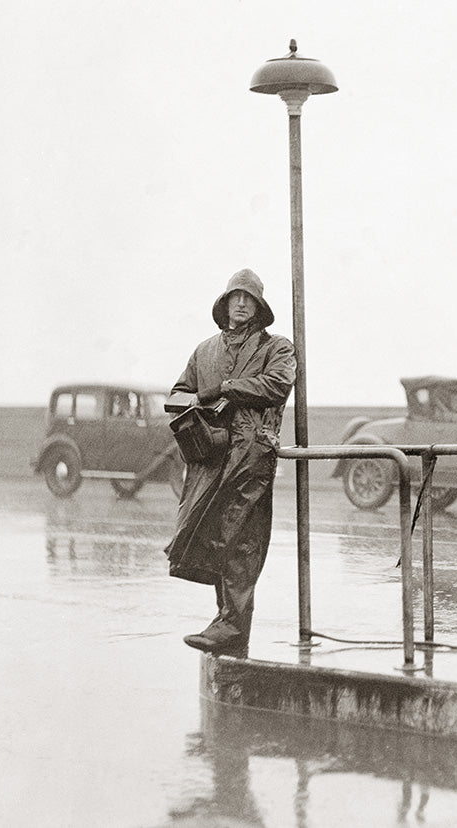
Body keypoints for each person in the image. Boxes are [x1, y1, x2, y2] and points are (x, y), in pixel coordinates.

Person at [165, 268, 297, 654]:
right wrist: (190, 404)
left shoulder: (277, 347)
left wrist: (224, 389)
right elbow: (178, 392)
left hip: (251, 459)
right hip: (210, 458)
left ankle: (232, 627)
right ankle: (225, 624)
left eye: (248, 298)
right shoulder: (204, 350)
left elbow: (277, 384)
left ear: (258, 308)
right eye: (234, 297)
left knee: (242, 542)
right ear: (223, 305)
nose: (240, 304)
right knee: (213, 536)